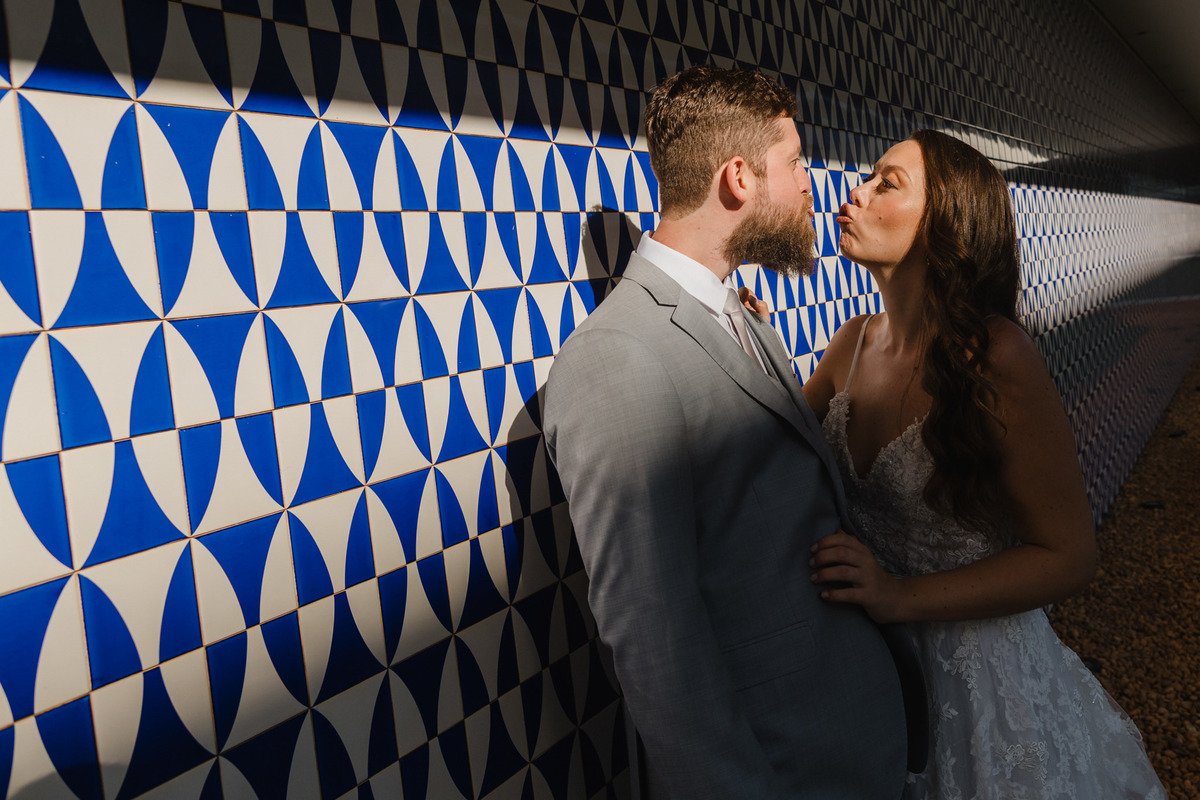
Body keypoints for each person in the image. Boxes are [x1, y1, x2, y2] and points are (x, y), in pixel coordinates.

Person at [542, 66, 916, 799]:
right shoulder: (614, 359)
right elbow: (654, 643)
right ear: (739, 178)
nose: (814, 184)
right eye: (797, 163)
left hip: (849, 744)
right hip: (783, 768)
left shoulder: (740, 312)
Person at [792, 129, 1168, 798]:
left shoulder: (995, 357)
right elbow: (774, 447)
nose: (855, 192)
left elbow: (1069, 554)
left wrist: (898, 595)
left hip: (984, 695)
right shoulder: (852, 343)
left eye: (887, 182)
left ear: (947, 223)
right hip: (877, 687)